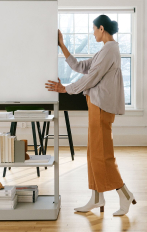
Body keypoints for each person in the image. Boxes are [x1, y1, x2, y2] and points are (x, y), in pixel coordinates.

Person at [45, 15, 136, 216]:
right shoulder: (105, 50)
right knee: (94, 153)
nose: (93, 33)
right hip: (96, 105)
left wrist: (65, 88)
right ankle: (96, 197)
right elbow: (80, 67)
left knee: (103, 155)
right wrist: (62, 45)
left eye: (94, 29)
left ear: (101, 28)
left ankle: (125, 194)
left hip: (101, 107)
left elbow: (91, 77)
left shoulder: (110, 50)